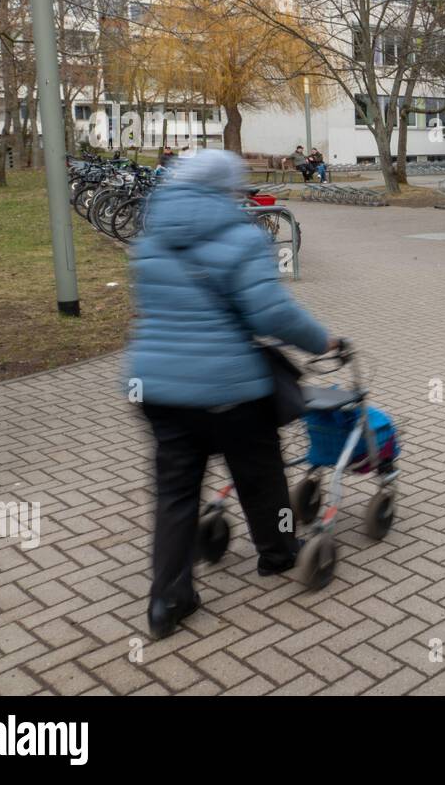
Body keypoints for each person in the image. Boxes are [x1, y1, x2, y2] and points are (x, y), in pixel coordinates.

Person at [126, 149, 338, 639]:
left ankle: (167, 601)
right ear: (227, 190)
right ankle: (278, 552)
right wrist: (322, 340)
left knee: (175, 496)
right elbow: (272, 316)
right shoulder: (242, 238)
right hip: (230, 390)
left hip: (157, 388)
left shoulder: (150, 240)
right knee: (261, 477)